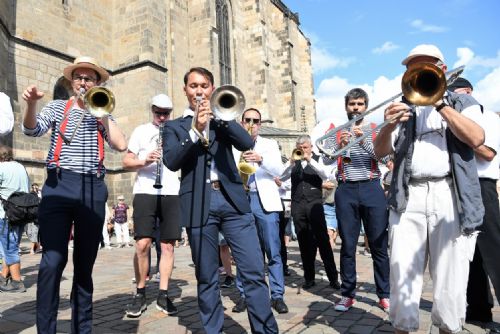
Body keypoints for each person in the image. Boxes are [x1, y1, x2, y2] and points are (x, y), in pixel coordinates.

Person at [374, 44, 485, 334]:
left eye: (424, 68)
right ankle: (402, 326)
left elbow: (476, 138)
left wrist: (440, 103)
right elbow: (380, 152)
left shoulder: (463, 103)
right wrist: (386, 126)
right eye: (412, 69)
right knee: (401, 272)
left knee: (451, 274)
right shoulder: (401, 105)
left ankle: (449, 327)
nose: (417, 73)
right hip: (407, 196)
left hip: (449, 194)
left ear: (442, 70)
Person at [163, 67, 278, 333]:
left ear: (212, 89)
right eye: (193, 86)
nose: (199, 91)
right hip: (198, 205)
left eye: (204, 86)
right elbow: (171, 161)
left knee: (252, 272)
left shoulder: (223, 119)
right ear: (185, 90)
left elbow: (246, 141)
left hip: (233, 202)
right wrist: (196, 129)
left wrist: (220, 119)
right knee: (206, 277)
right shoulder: (174, 126)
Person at [21, 56, 127, 333]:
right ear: (71, 82)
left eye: (88, 78)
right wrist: (31, 103)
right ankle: (47, 328)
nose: (83, 82)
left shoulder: (104, 110)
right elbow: (32, 130)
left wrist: (102, 116)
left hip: (92, 187)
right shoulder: (58, 107)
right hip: (59, 185)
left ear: (97, 83)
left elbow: (121, 144)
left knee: (84, 265)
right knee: (52, 262)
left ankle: (82, 327)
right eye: (78, 77)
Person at [324, 88, 390, 312]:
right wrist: (340, 145)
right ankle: (347, 294)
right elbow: (326, 159)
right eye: (352, 104)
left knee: (379, 245)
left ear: (366, 107)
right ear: (346, 107)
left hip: (372, 187)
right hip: (346, 189)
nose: (356, 108)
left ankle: (384, 294)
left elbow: (384, 156)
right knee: (348, 246)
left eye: (360, 104)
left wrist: (361, 141)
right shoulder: (337, 131)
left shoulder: (374, 129)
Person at [123, 93, 181, 317]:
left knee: (167, 246)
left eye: (166, 114)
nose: (162, 117)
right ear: (152, 111)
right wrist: (144, 160)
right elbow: (126, 161)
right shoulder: (141, 131)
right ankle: (140, 292)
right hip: (146, 191)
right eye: (158, 113)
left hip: (170, 192)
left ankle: (163, 295)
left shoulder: (176, 132)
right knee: (142, 244)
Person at [448, 78, 500, 330]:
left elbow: (488, 152)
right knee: (470, 254)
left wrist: (462, 135)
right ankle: (478, 309)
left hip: (482, 186)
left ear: (468, 92)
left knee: (494, 250)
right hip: (458, 186)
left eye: (454, 93)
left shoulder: (486, 116)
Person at [231, 108, 288, 314]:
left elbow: (280, 171)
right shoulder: (234, 145)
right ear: (241, 121)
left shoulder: (269, 144)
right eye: (248, 120)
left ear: (260, 124)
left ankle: (277, 295)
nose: (251, 124)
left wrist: (261, 159)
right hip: (242, 201)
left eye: (256, 121)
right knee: (244, 253)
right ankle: (244, 295)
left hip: (265, 202)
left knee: (273, 252)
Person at [281, 135, 341, 290]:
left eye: (305, 147)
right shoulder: (294, 161)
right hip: (298, 204)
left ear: (311, 147)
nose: (302, 150)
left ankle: (333, 277)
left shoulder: (318, 159)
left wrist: (309, 160)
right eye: (300, 147)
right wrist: (290, 164)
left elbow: (325, 175)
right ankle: (309, 278)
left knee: (322, 241)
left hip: (314, 204)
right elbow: (282, 178)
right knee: (303, 241)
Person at [0, 144, 30, 292]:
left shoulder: (1, 168)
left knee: (9, 248)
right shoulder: (21, 167)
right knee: (10, 246)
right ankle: (3, 276)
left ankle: (17, 283)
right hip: (21, 213)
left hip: (5, 215)